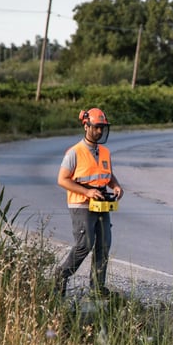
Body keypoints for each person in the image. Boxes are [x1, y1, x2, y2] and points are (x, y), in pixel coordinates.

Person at [54, 108, 124, 297]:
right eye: (96, 128)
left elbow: (107, 174)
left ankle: (97, 288)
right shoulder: (74, 152)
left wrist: (116, 185)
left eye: (102, 128)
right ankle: (61, 276)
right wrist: (87, 191)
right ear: (86, 126)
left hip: (101, 203)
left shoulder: (104, 152)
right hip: (81, 204)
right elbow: (62, 179)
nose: (100, 132)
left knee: (104, 245)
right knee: (85, 244)